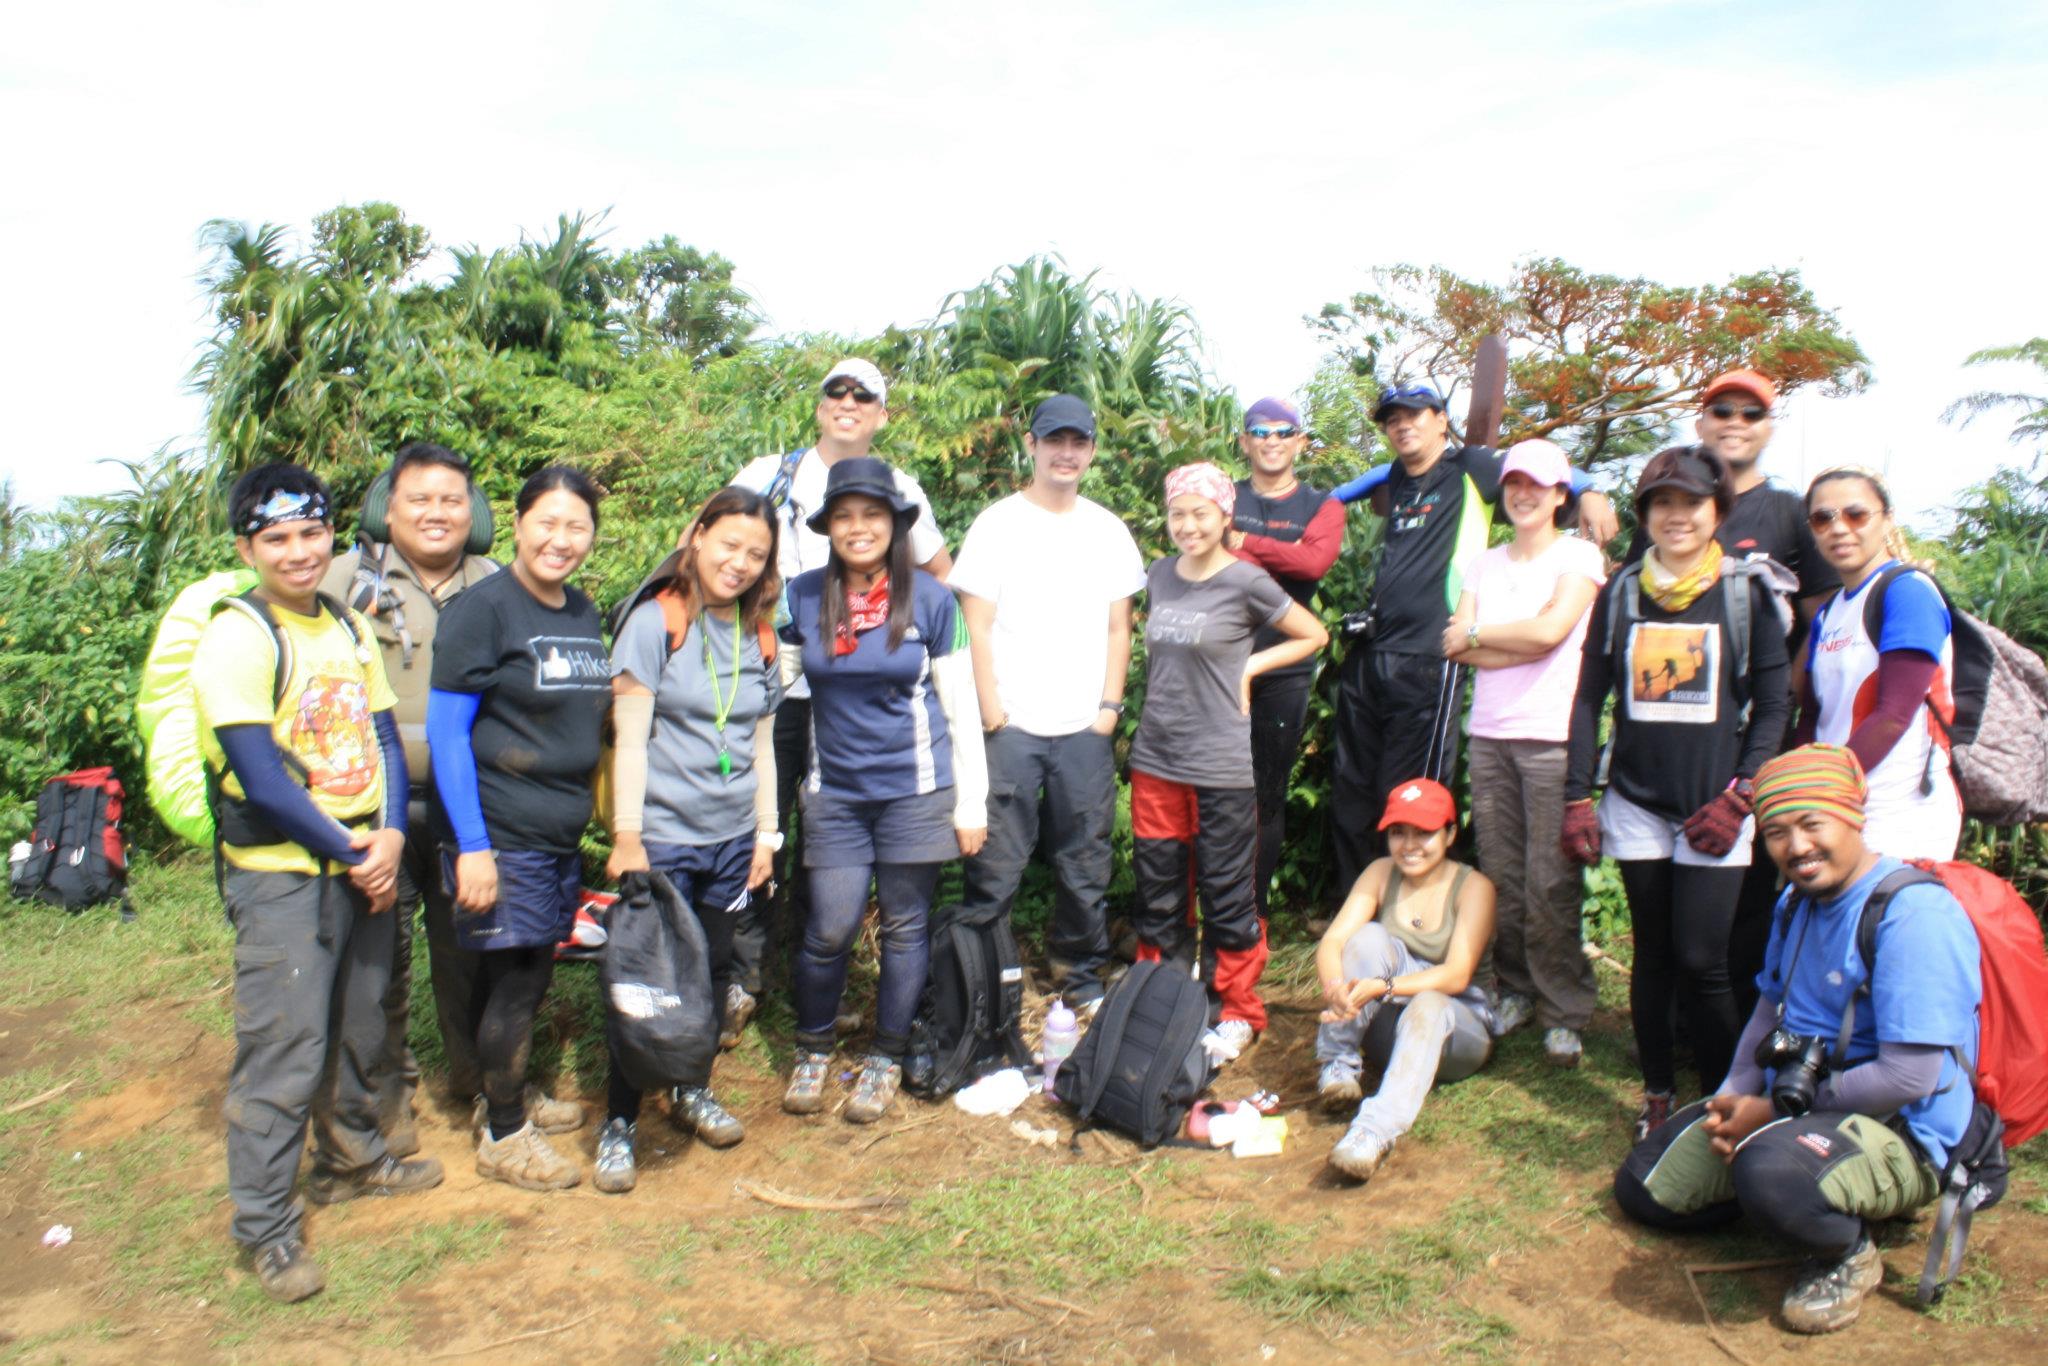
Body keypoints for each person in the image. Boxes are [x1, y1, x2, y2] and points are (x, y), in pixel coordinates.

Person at [1615, 744, 1981, 1335]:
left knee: (1768, 1168)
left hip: (1900, 1130)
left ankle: (1845, 1252)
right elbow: (1768, 1003)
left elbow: (1910, 1077)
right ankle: (1791, 1184)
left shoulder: (1914, 916)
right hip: (1800, 1101)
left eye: (1814, 823)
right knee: (1647, 1188)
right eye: (1778, 831)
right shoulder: (1797, 900)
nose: (1797, 848)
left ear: (1854, 817)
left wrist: (1770, 1116)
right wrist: (1734, 1092)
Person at [194, 463, 442, 1304]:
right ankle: (265, 1227)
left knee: (360, 1025)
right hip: (286, 878)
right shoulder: (240, 635)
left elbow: (380, 740)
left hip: (363, 862)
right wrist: (355, 850)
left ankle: (353, 1159)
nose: (299, 553)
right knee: (286, 1047)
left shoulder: (343, 623)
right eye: (277, 539)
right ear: (247, 547)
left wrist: (393, 836)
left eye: (311, 534)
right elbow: (262, 778)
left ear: (331, 533)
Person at [320, 443, 552, 1155]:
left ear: (475, 512)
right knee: (373, 967)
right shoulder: (341, 578)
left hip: (469, 806)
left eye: (452, 499)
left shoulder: (499, 582)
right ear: (389, 509)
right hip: (370, 808)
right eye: (418, 498)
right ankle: (379, 1108)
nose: (436, 513)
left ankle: (485, 1084)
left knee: (470, 955)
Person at [1563, 447, 1790, 1139]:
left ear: (1716, 512)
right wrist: (1579, 796)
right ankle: (1658, 1096)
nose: (1676, 516)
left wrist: (1742, 793)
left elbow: (1776, 704)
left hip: (1716, 806)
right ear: (1646, 516)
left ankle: (1722, 1100)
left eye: (1691, 503)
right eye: (1662, 503)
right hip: (1635, 801)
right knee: (1654, 955)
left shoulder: (1745, 592)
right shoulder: (1623, 590)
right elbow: (1587, 699)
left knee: (1704, 960)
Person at [729, 359, 953, 1039]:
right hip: (782, 681)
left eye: (865, 395)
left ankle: (819, 983)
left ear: (883, 413)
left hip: (852, 693)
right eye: (837, 391)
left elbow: (939, 574)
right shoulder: (768, 473)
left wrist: (930, 647)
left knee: (824, 847)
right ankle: (745, 977)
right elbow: (711, 549)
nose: (848, 402)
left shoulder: (902, 486)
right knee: (760, 828)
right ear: (819, 404)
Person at [1327, 385, 1617, 897]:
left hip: (1429, 656)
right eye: (1392, 419)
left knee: (1411, 792)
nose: (1402, 425)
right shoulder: (1399, 474)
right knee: (1352, 787)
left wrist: (1590, 490)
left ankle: (1413, 909)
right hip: (1373, 652)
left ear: (1442, 420)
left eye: (1414, 415)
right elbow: (1372, 478)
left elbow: (1541, 471)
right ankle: (1356, 904)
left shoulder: (1473, 466)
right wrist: (1329, 499)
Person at [1622, 370, 1841, 1013]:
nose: (1735, 422)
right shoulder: (1666, 509)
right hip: (1679, 739)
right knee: (1675, 908)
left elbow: (1821, 619)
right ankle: (1685, 1033)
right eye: (1723, 409)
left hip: (1766, 735)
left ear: (1768, 428)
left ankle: (1743, 1021)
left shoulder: (1789, 512)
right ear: (1701, 422)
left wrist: (1784, 716)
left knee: (1751, 891)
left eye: (1752, 413)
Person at [777, 457, 987, 1124]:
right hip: (834, 789)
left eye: (872, 515)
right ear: (828, 526)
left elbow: (960, 707)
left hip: (916, 791)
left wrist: (971, 802)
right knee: (830, 926)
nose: (858, 527)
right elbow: (777, 692)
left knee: (903, 927)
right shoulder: (802, 596)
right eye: (845, 516)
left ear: (895, 525)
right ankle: (813, 1046)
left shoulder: (931, 599)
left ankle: (885, 1057)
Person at [428, 467, 612, 1191]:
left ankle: (502, 1096)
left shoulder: (581, 612)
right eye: (548, 523)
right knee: (515, 980)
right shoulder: (483, 610)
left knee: (528, 976)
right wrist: (473, 847)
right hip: (499, 831)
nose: (560, 541)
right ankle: (505, 1133)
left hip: (556, 835)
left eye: (577, 528)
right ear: (519, 520)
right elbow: (448, 735)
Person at [596, 486, 784, 1191]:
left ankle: (689, 1089)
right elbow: (631, 742)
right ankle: (618, 1120)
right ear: (697, 537)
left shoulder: (760, 634)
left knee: (708, 974)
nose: (738, 562)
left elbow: (763, 747)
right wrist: (628, 836)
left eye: (755, 554)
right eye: (728, 544)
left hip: (732, 837)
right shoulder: (657, 622)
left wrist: (767, 834)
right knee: (644, 981)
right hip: (664, 838)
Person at [1128, 463, 1328, 1060]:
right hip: (1157, 758)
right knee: (1159, 886)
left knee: (1225, 890)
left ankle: (1234, 1009)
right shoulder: (1160, 575)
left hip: (1219, 763)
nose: (1188, 525)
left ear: (1224, 518)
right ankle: (1161, 996)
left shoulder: (1246, 580)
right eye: (1178, 514)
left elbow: (1312, 634)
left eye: (1201, 513)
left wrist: (1250, 667)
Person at [949, 394, 1142, 1010]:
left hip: (1083, 723)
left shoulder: (1108, 529)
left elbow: (1120, 627)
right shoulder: (997, 524)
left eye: (1078, 442)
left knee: (1085, 860)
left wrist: (1109, 708)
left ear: (1090, 450)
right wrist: (990, 708)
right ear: (1030, 446)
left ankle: (1078, 973)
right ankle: (986, 979)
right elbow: (973, 624)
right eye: (1054, 440)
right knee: (996, 864)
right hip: (1011, 723)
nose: (1066, 453)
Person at [1440, 439, 1605, 1067]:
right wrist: (1513, 640)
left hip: (1552, 736)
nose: (1524, 493)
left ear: (1562, 493)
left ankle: (1565, 1008)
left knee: (1551, 880)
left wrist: (1488, 635)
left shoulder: (1579, 556)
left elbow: (1551, 630)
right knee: (1503, 876)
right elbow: (1458, 644)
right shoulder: (1483, 564)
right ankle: (1515, 989)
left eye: (1538, 484)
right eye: (1513, 483)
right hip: (1490, 734)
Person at [1315, 779, 1498, 1181]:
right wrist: (1335, 991)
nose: (1409, 845)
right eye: (1399, 833)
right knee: (1366, 939)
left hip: (1457, 1030)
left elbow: (1456, 975)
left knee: (1429, 1002)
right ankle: (1338, 1066)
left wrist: (1386, 988)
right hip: (1391, 1023)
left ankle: (1372, 1132)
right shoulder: (1381, 872)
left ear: (1450, 835)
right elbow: (1333, 942)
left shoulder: (1474, 887)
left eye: (1424, 833)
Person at [1794, 467, 1960, 860]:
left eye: (1856, 514)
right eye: (1823, 518)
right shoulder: (1828, 612)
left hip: (1900, 813)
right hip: (1836, 810)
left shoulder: (1907, 592)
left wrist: (1823, 786)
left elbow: (1893, 715)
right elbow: (1812, 716)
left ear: (1886, 519)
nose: (1838, 529)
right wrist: (1798, 787)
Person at [1227, 397, 1346, 916]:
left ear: (1300, 441)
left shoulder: (1323, 506)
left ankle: (1250, 917)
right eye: (1261, 431)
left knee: (1265, 793)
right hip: (1220, 657)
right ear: (1245, 441)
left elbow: (1315, 562)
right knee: (1211, 788)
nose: (1272, 440)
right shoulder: (1223, 496)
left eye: (1283, 432)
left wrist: (1246, 542)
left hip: (1285, 662)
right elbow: (1203, 548)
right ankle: (1206, 910)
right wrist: (1283, 552)